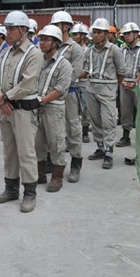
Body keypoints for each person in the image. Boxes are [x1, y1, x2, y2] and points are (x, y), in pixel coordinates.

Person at [0, 11, 43, 213]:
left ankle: (30, 192)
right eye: (7, 28)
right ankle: (10, 188)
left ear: (23, 30)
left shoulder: (33, 53)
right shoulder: (5, 52)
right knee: (9, 151)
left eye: (11, 28)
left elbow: (28, 83)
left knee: (26, 152)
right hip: (6, 109)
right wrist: (0, 98)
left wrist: (5, 98)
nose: (8, 32)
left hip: (22, 110)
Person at [81, 18, 126, 170]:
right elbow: (85, 69)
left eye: (99, 32)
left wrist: (113, 86)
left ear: (106, 34)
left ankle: (109, 151)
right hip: (91, 88)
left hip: (107, 89)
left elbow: (121, 72)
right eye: (94, 32)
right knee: (96, 120)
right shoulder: (88, 50)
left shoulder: (115, 50)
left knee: (108, 121)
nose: (95, 35)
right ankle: (100, 148)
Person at [34, 25, 73, 192]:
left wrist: (43, 100)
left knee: (56, 143)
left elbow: (61, 88)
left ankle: (57, 177)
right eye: (41, 39)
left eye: (46, 40)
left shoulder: (64, 65)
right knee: (38, 143)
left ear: (56, 43)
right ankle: (40, 174)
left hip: (53, 109)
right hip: (37, 107)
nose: (42, 43)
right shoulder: (37, 61)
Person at [49, 11, 85, 183]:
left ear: (66, 27)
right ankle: (55, 162)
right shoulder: (51, 47)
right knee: (55, 131)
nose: (55, 28)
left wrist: (57, 87)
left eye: (58, 25)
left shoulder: (75, 48)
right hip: (52, 95)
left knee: (73, 129)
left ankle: (76, 164)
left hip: (68, 94)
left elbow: (74, 73)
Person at [116, 23, 140, 148]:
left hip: (139, 84)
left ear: (136, 34)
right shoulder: (121, 50)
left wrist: (136, 81)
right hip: (124, 83)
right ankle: (126, 136)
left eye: (128, 34)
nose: (126, 36)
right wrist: (122, 81)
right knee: (125, 111)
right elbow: (118, 67)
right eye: (124, 34)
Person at [71, 23, 91, 143]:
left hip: (83, 83)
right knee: (73, 110)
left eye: (75, 34)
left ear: (83, 36)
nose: (73, 36)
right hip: (73, 83)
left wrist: (75, 76)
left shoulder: (88, 51)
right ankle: (72, 134)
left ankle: (85, 132)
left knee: (85, 110)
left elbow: (88, 69)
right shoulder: (71, 49)